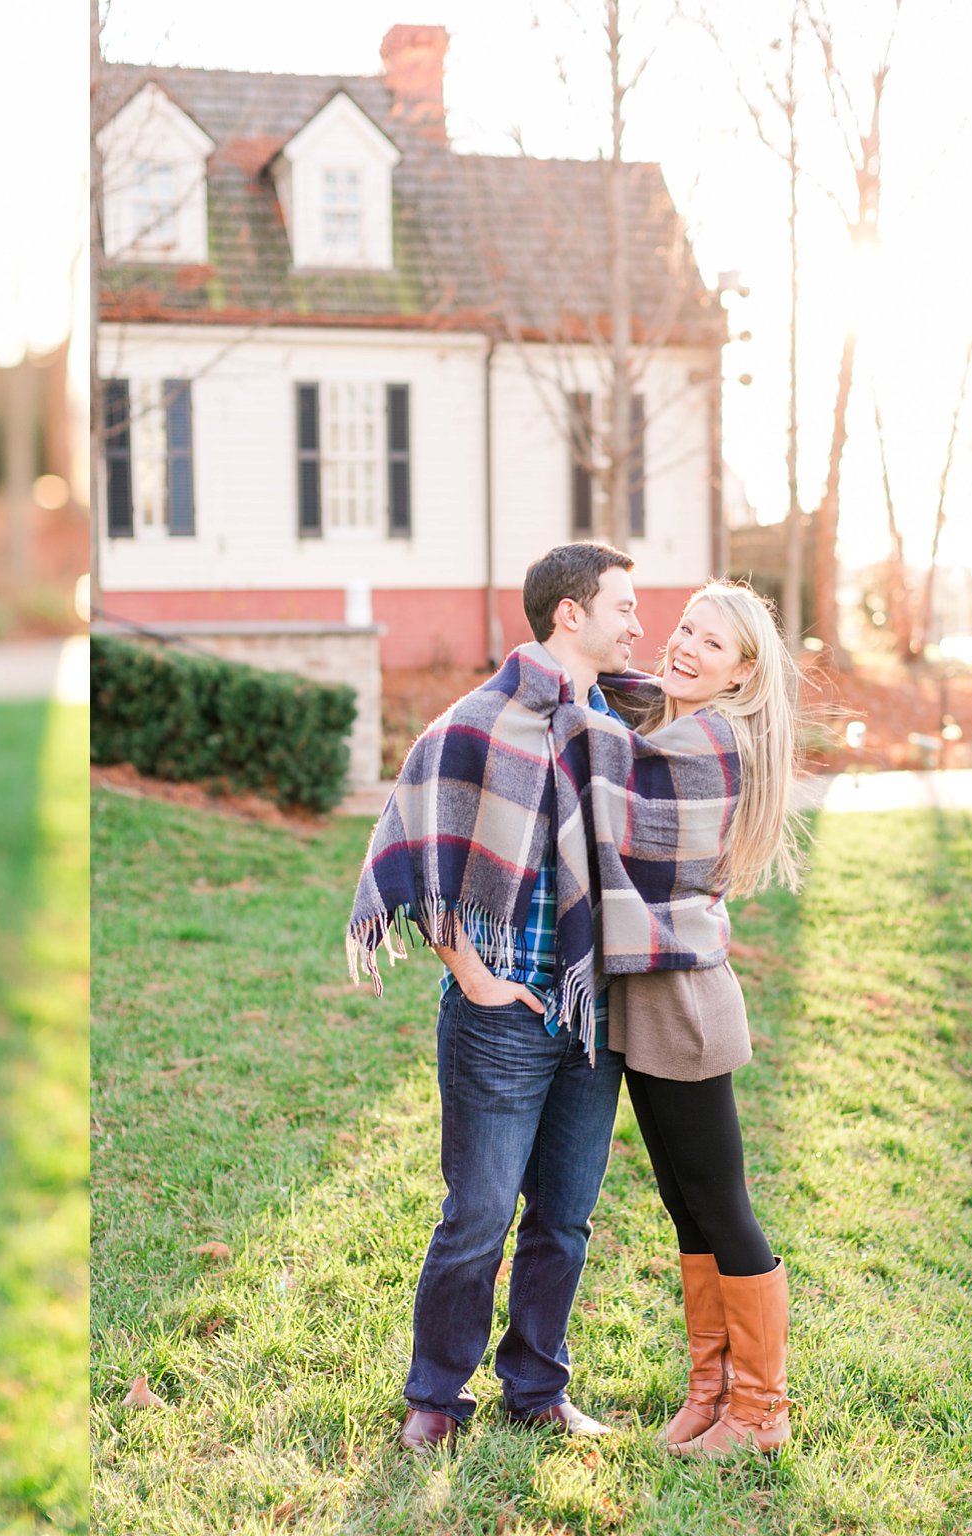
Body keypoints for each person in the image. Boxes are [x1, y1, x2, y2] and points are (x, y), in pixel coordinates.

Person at [348, 542, 642, 1452]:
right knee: (477, 1212)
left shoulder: (619, 732)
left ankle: (537, 1388)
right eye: (624, 606)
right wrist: (474, 977)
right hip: (502, 1019)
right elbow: (412, 843)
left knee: (566, 1216)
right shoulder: (475, 726)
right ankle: (435, 1396)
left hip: (594, 1017)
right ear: (570, 614)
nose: (638, 624)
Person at [598, 580, 802, 1458]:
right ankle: (710, 1391)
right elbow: (626, 701)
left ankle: (761, 1412)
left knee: (722, 1206)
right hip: (653, 995)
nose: (681, 647)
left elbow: (606, 790)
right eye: (683, 629)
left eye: (709, 645)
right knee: (686, 1207)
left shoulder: (702, 742)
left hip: (682, 1003)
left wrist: (562, 700)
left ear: (741, 672)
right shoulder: (678, 722)